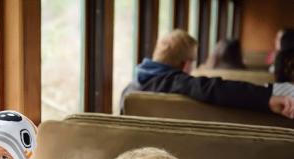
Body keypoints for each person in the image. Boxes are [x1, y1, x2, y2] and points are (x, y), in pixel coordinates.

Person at [120, 29, 294, 119]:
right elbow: (215, 88)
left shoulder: (130, 87)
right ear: (185, 64)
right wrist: (266, 98)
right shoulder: (175, 82)